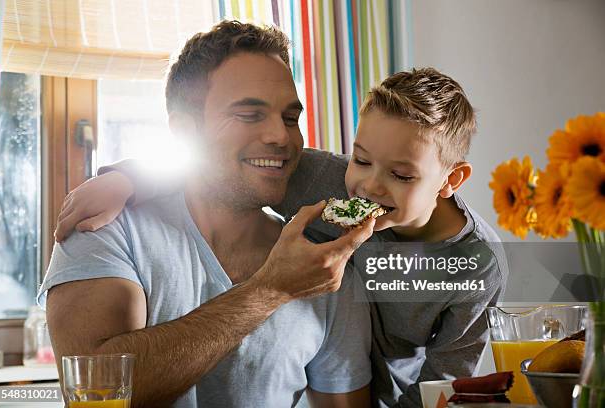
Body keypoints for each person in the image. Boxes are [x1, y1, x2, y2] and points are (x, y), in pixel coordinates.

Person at [56, 67, 508, 406]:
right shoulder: (325, 180)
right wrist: (126, 178)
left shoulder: (478, 265)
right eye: (362, 160)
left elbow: (447, 381)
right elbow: (214, 166)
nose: (369, 187)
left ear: (452, 180)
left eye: (401, 175)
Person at [39, 21, 376, 408]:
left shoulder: (324, 266)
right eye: (249, 115)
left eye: (290, 117)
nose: (281, 137)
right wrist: (270, 289)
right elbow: (96, 395)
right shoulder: (105, 229)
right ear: (185, 131)